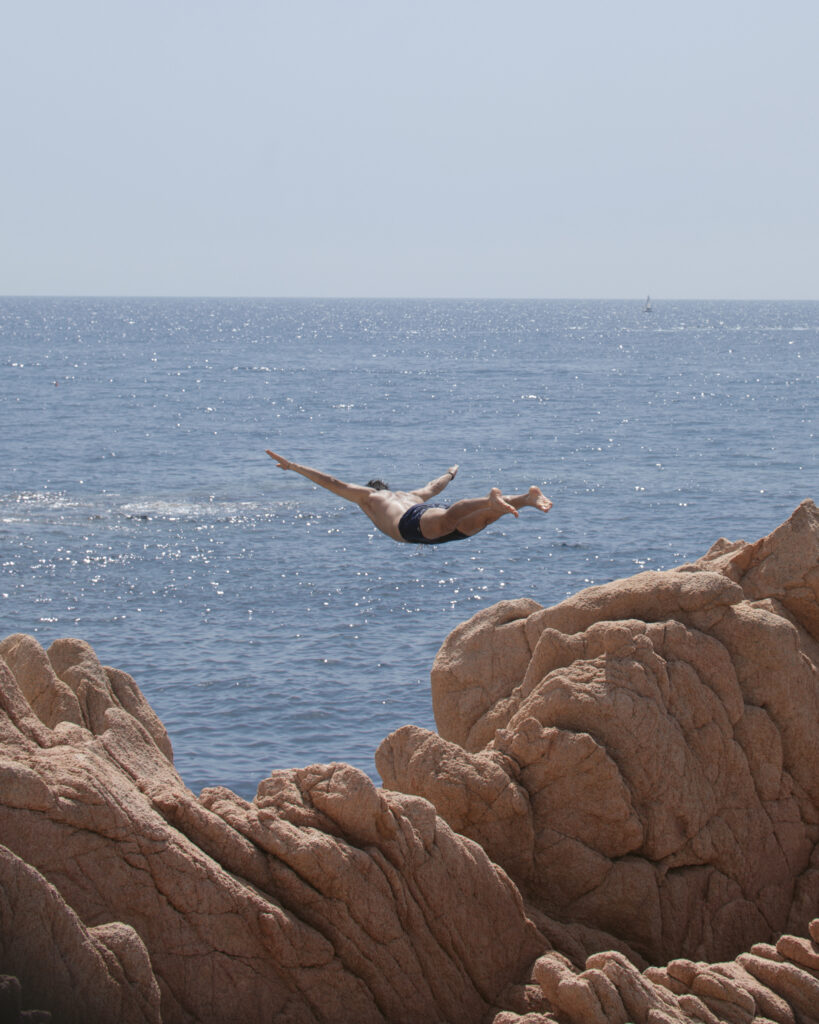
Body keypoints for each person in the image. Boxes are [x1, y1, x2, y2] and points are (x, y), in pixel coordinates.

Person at [265, 450, 553, 545]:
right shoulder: (411, 494)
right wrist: (450, 474)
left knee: (452, 518)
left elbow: (333, 483)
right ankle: (525, 499)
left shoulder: (370, 497)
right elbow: (434, 487)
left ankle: (490, 501)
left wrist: (293, 466)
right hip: (425, 511)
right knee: (478, 520)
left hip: (410, 524)